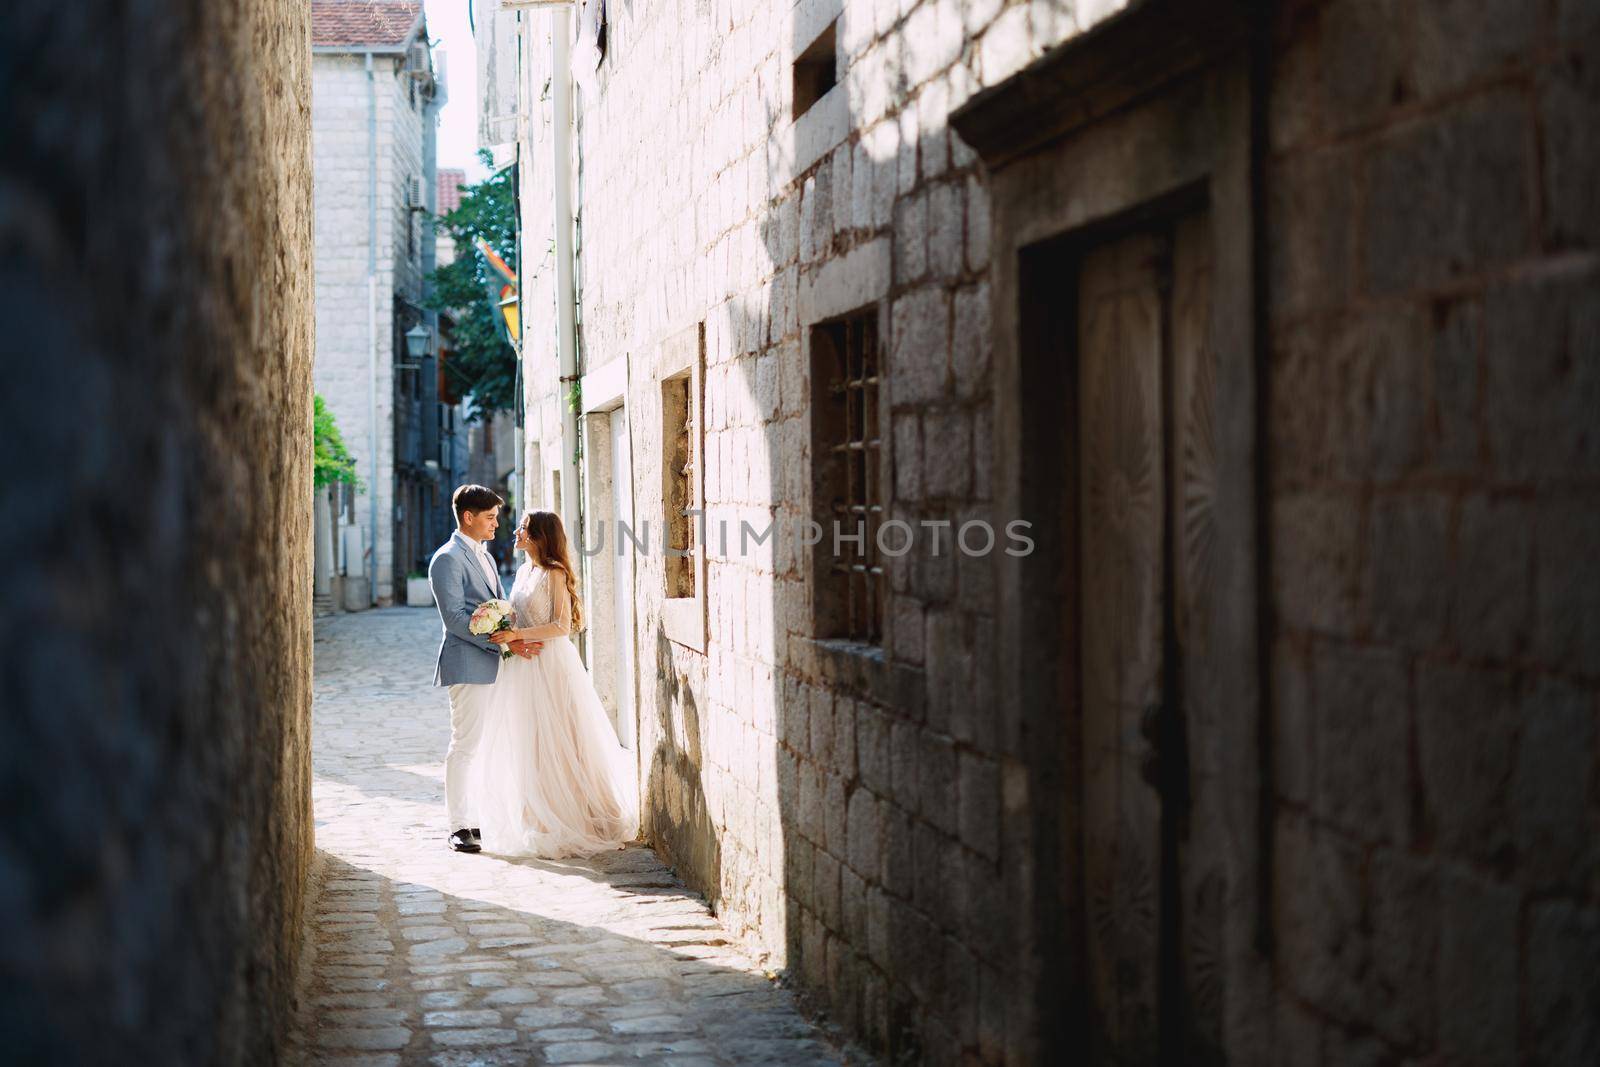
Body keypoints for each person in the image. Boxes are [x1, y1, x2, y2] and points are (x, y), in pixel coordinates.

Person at [473, 510, 638, 857]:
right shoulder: (522, 571)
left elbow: (562, 625)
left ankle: (580, 816)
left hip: (550, 663)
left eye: (523, 528)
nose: (516, 532)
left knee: (561, 737)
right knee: (529, 740)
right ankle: (537, 817)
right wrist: (501, 626)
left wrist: (518, 632)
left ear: (539, 537)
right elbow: (517, 612)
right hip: (522, 665)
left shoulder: (554, 574)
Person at [427, 484, 541, 854]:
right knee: (465, 745)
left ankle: (481, 817)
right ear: (468, 517)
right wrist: (502, 641)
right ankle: (459, 825)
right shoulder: (446, 559)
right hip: (467, 662)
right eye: (490, 518)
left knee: (489, 745)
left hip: (495, 664)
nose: (496, 524)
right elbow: (456, 619)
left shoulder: (488, 558)